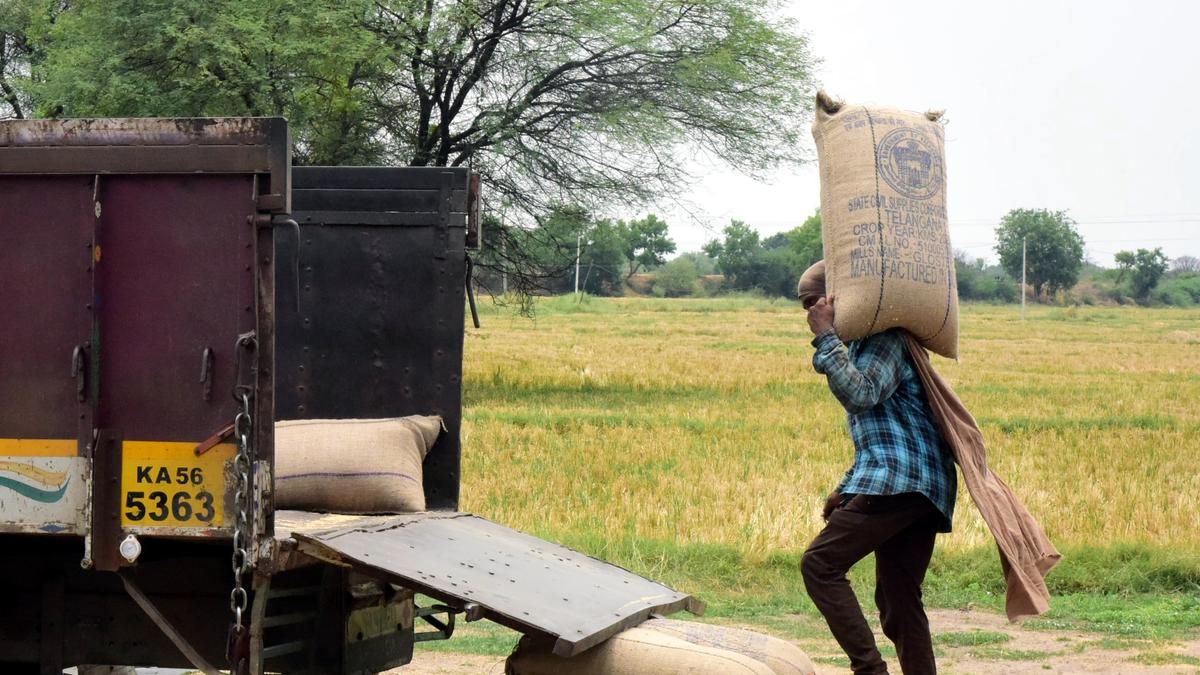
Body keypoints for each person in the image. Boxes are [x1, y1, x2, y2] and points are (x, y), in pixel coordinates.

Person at [796, 260, 957, 675]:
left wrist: (826, 338)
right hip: (917, 487)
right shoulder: (865, 346)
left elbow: (861, 395)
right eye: (806, 308)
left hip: (902, 485)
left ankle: (870, 671)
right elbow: (886, 435)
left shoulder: (884, 339)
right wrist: (846, 488)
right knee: (899, 601)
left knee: (819, 564)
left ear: (841, 300)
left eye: (816, 304)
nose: (812, 314)